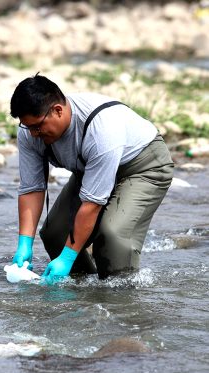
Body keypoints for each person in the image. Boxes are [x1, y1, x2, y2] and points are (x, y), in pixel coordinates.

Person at [10, 74, 174, 283]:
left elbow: (91, 205)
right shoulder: (30, 131)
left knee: (112, 237)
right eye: (28, 127)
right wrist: (24, 244)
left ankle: (120, 302)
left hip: (142, 167)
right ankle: (83, 291)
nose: (33, 134)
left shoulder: (101, 130)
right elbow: (32, 188)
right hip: (91, 168)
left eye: (37, 127)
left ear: (58, 111)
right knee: (55, 233)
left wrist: (67, 258)